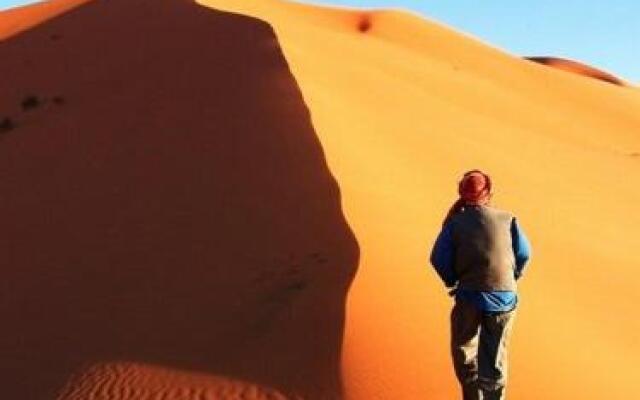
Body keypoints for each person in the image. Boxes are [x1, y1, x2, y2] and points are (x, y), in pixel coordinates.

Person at [429, 169, 531, 400]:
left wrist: (452, 279)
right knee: (495, 356)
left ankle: (473, 396)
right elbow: (525, 253)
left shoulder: (455, 223)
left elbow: (438, 258)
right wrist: (513, 276)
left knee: (464, 351)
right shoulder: (508, 219)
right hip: (504, 297)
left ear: (461, 193)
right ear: (489, 193)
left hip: (469, 297)